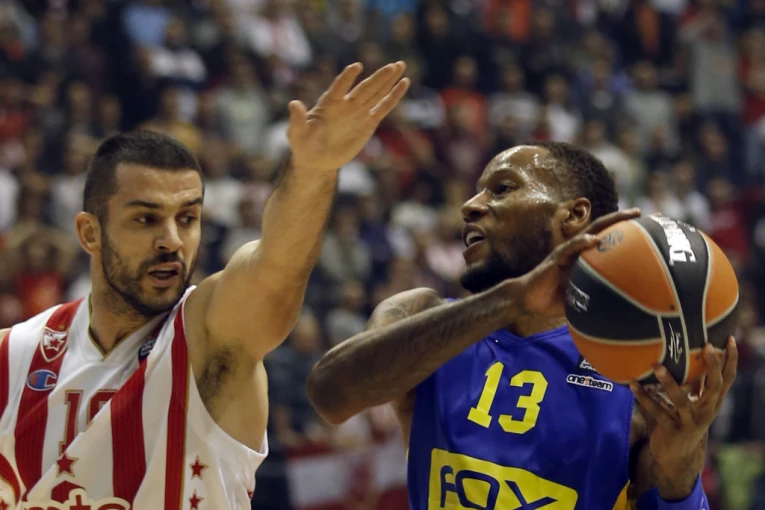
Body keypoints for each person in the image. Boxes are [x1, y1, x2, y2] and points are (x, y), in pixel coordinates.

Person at [0, 61, 409, 509]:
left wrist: (313, 172)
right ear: (90, 233)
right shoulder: (13, 356)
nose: (172, 240)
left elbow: (274, 272)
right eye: (146, 219)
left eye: (188, 218)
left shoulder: (210, 338)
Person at [306, 141, 738, 509]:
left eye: (502, 188)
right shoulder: (421, 316)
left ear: (574, 215)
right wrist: (510, 300)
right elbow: (330, 393)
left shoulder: (637, 371)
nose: (470, 206)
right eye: (478, 191)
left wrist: (682, 464)